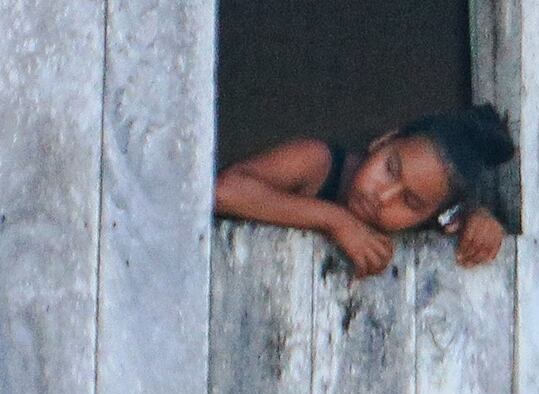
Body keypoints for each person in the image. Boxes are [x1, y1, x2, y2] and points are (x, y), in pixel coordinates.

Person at [214, 105, 521, 279]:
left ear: (431, 215)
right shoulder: (316, 163)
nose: (383, 196)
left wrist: (480, 220)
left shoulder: (432, 224)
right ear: (383, 141)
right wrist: (335, 220)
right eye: (390, 168)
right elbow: (223, 190)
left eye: (411, 202)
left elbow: (460, 223)